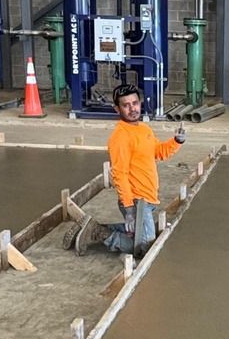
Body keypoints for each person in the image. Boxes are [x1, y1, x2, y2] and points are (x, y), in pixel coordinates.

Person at [72, 83, 185, 257]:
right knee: (144, 247)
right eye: (126, 105)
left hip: (148, 196)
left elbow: (158, 153)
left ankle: (90, 228)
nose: (132, 109)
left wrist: (176, 142)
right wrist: (129, 208)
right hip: (136, 200)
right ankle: (100, 234)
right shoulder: (120, 137)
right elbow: (120, 174)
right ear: (117, 109)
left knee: (139, 234)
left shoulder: (144, 129)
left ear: (140, 103)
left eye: (135, 103)